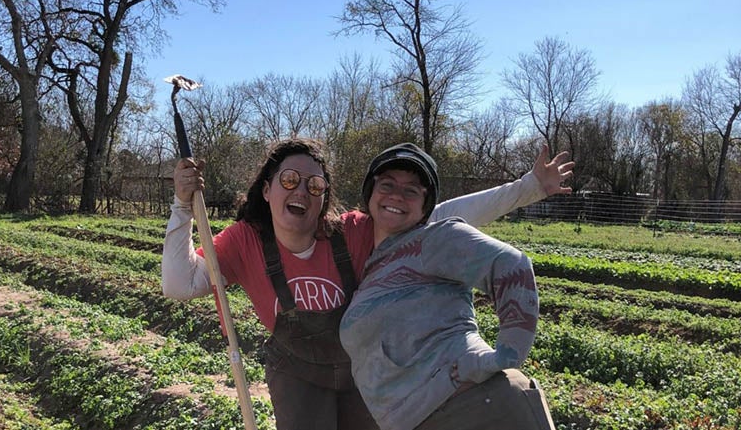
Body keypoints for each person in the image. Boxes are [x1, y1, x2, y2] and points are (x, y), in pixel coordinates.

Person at [162, 138, 571, 430]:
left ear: (325, 200)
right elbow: (181, 284)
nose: (302, 190)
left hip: (366, 375)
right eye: (289, 180)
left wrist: (527, 188)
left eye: (315, 185)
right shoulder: (244, 240)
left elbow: (434, 215)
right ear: (267, 189)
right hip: (299, 376)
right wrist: (182, 206)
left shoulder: (352, 232)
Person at [339, 143, 556, 430]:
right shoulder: (372, 267)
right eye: (387, 185)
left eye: (411, 190)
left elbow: (511, 265)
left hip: (477, 409)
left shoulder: (433, 239)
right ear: (370, 192)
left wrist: (506, 356)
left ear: (425, 205)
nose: (397, 196)